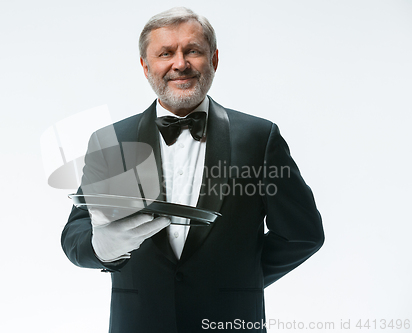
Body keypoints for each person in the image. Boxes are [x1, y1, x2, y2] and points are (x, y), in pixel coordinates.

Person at [61, 7, 324, 333]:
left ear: (214, 60)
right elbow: (74, 236)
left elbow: (303, 233)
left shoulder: (260, 137)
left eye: (193, 51)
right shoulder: (110, 141)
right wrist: (101, 249)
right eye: (165, 53)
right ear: (145, 66)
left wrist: (242, 281)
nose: (180, 63)